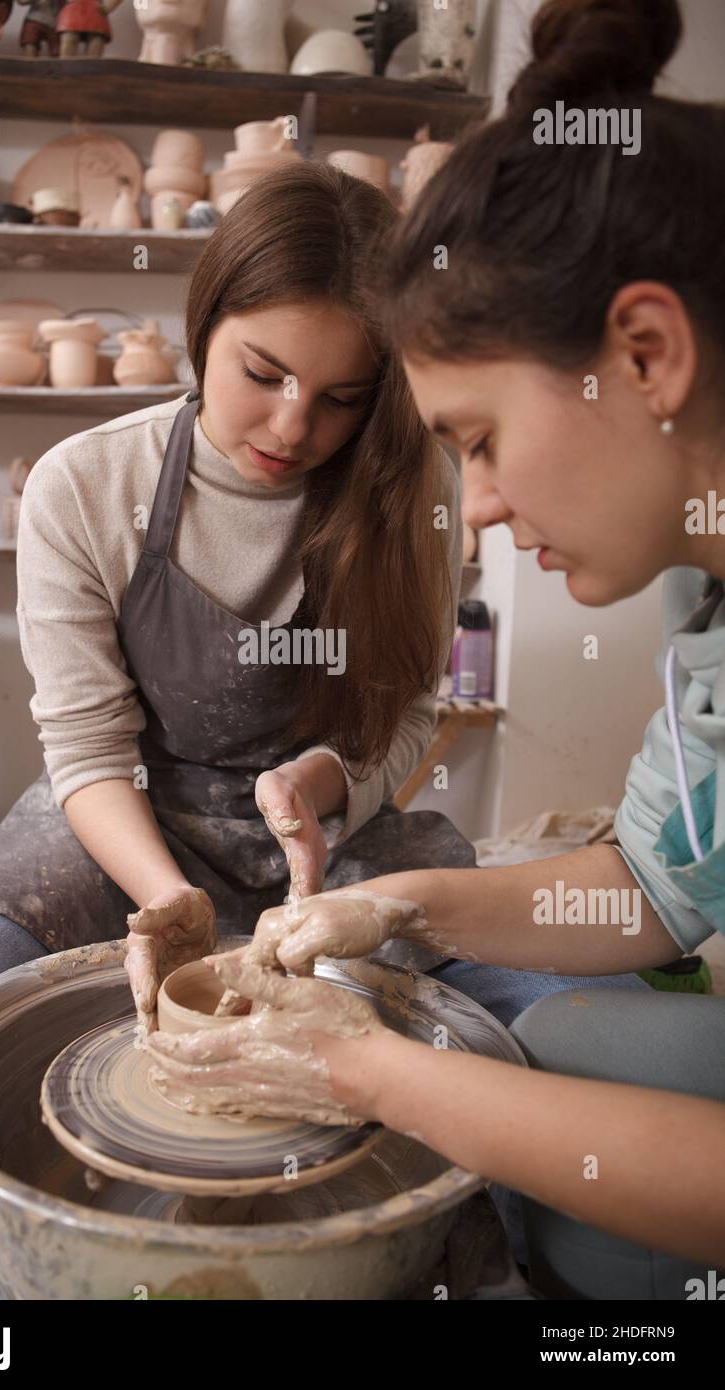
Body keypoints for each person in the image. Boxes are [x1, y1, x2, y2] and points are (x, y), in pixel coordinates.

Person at [144, 0, 725, 1299]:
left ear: (643, 354)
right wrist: (398, 903)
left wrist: (372, 1074)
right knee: (558, 1060)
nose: (487, 504)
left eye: (476, 438)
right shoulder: (710, 618)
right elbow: (650, 884)